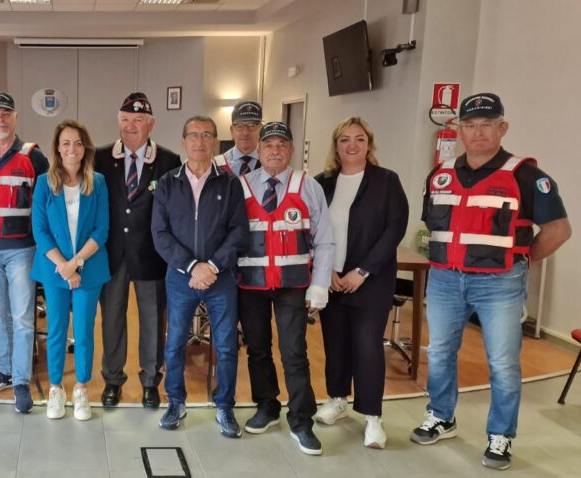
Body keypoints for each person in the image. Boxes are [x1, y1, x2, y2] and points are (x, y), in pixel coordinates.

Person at [415, 93, 571, 470]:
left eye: (487, 124)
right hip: (445, 280)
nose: (478, 132)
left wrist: (524, 258)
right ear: (460, 131)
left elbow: (558, 229)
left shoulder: (527, 176)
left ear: (502, 127)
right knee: (438, 354)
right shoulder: (441, 174)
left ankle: (501, 435)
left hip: (499, 283)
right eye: (470, 125)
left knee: (502, 363)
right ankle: (441, 415)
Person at [237, 121, 335, 456]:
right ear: (259, 150)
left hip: (293, 285)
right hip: (250, 285)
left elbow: (324, 240)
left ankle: (301, 420)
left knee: (294, 352)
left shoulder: (308, 187)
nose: (275, 151)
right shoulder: (243, 186)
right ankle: (267, 405)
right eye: (268, 145)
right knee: (258, 349)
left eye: (282, 144)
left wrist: (320, 285)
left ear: (291, 150)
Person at [312, 117, 409, 449]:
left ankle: (372, 417)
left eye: (359, 139)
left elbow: (394, 230)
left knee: (367, 347)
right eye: (344, 140)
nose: (351, 145)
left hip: (371, 281)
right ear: (335, 146)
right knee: (335, 343)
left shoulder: (386, 181)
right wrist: (327, 272)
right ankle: (338, 400)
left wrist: (362, 271)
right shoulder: (321, 182)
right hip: (332, 279)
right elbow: (310, 230)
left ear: (369, 144)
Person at [151, 116, 248, 438]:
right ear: (183, 141)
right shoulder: (167, 183)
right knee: (175, 343)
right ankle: (175, 401)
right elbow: (160, 233)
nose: (200, 141)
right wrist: (193, 267)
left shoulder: (230, 183)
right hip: (180, 278)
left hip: (221, 279)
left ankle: (225, 406)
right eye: (193, 135)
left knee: (225, 345)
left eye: (207, 135)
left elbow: (238, 231)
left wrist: (213, 266)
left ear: (215, 142)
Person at [93, 92, 181, 409]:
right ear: (119, 121)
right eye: (126, 119)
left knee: (152, 322)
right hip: (111, 254)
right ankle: (113, 380)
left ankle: (149, 381)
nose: (132, 126)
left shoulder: (169, 161)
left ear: (151, 124)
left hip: (152, 255)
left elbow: (174, 211)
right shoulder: (99, 158)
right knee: (112, 320)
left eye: (139, 120)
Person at [0, 92, 49, 413]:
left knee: (21, 317)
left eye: (6, 113)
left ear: (15, 118)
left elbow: (46, 204)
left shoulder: (34, 157)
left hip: (22, 250)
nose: (0, 119)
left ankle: (20, 380)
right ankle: (4, 370)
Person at [31, 120, 110, 421]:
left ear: (85, 147)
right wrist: (63, 266)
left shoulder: (98, 181)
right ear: (57, 148)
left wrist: (75, 263)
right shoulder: (44, 183)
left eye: (77, 142)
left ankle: (80, 388)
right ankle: (55, 389)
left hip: (88, 269)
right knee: (56, 331)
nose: (72, 149)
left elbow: (101, 230)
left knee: (84, 332)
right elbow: (39, 231)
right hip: (54, 269)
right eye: (66, 143)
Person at [213, 100, 263, 176]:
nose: (245, 132)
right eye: (239, 126)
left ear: (261, 129)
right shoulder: (216, 165)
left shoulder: (270, 163)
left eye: (252, 126)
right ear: (232, 130)